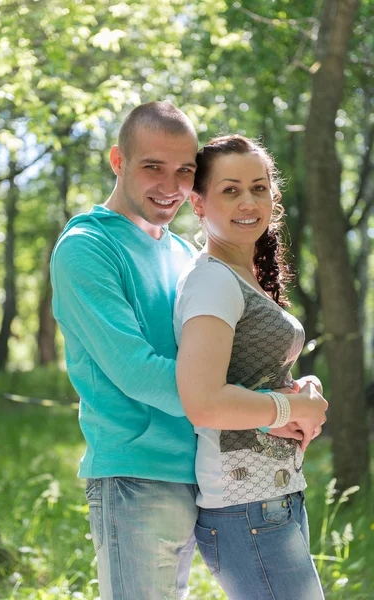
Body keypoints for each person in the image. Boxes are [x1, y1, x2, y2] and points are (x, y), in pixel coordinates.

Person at [50, 102, 201, 600]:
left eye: (185, 171)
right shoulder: (87, 246)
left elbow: (219, 355)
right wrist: (260, 411)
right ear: (118, 161)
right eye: (152, 166)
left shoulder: (185, 254)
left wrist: (283, 387)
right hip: (135, 477)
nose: (171, 185)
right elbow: (136, 372)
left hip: (203, 474)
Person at [174, 135, 327, 600]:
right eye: (231, 189)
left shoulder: (241, 279)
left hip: (270, 498)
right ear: (198, 204)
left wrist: (301, 392)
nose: (249, 201)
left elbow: (252, 380)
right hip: (246, 507)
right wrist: (290, 407)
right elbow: (203, 402)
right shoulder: (212, 282)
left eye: (259, 188)